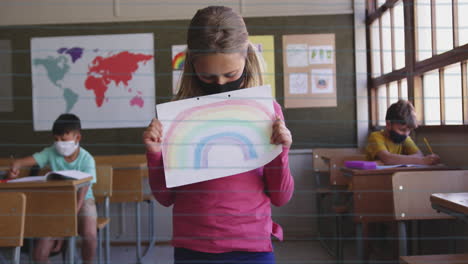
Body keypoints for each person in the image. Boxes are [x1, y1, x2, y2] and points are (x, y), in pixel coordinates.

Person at [143, 6, 294, 264]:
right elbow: (165, 198)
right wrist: (155, 155)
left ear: (247, 58)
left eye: (231, 74)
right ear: (193, 65)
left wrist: (281, 151)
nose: (221, 84)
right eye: (208, 76)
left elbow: (281, 197)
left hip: (253, 248)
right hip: (193, 248)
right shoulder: (174, 119)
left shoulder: (266, 112)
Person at [8, 113, 97, 264]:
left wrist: (67, 221)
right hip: (57, 203)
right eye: (56, 139)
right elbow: (31, 160)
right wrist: (16, 164)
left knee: (90, 234)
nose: (59, 143)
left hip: (83, 201)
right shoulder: (51, 152)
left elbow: (83, 191)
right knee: (39, 253)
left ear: (77, 138)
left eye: (64, 139)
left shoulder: (87, 159)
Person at [365, 99, 440, 165]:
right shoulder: (375, 137)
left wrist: (397, 160)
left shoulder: (405, 138)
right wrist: (422, 161)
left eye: (409, 130)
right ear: (388, 124)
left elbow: (419, 155)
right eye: (402, 130)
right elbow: (387, 158)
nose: (406, 134)